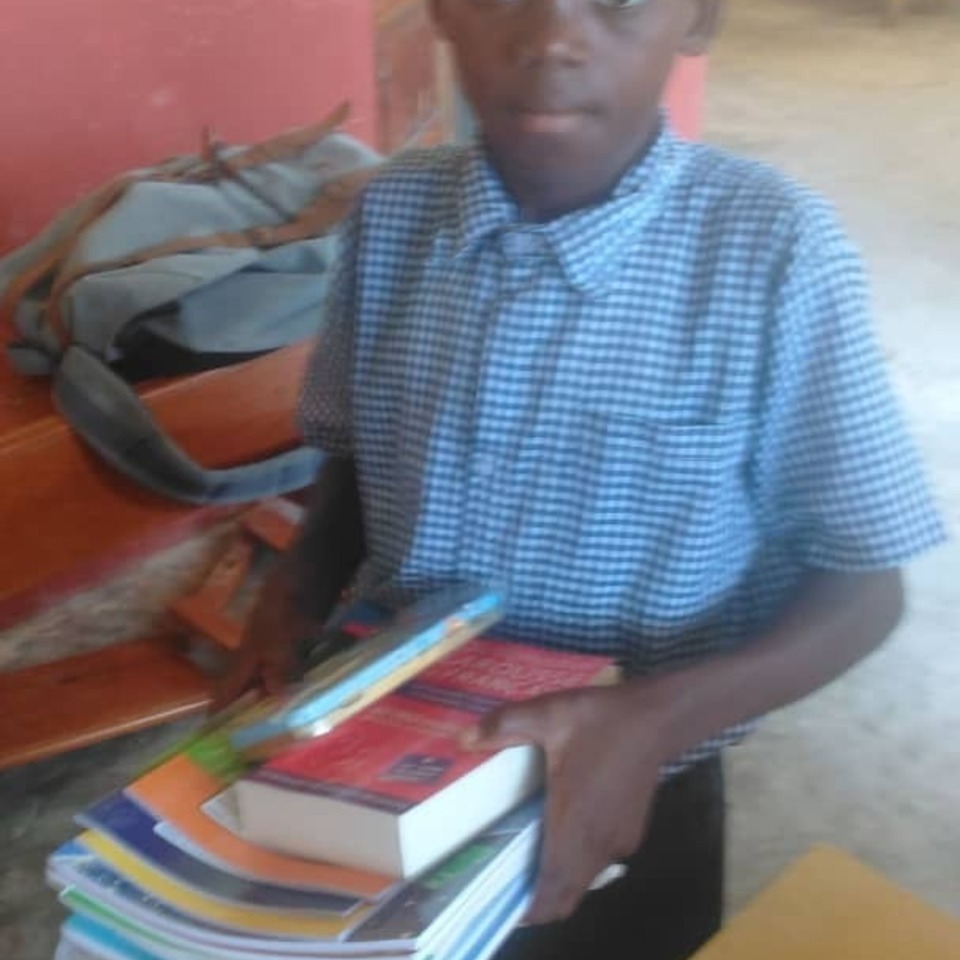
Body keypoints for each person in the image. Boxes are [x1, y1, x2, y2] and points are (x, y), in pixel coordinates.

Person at [216, 1, 946, 957]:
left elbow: (865, 588)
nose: (553, 38)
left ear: (700, 19)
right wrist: (303, 578)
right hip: (389, 747)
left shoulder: (772, 250)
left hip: (633, 778)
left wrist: (650, 722)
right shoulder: (391, 217)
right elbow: (357, 450)